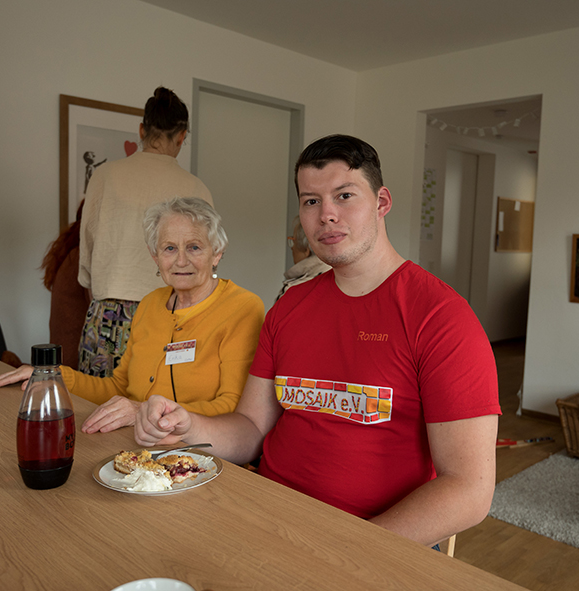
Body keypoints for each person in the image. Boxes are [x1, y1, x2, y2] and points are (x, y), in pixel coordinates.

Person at [133, 135, 500, 547]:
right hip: (265, 518)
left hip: (375, 541)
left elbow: (469, 490)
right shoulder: (290, 308)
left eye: (344, 196)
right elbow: (252, 428)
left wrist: (344, 553)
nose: (327, 215)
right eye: (311, 201)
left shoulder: (440, 318)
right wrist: (189, 424)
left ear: (381, 203)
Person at [0, 197, 264, 435]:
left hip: (199, 454)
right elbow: (118, 387)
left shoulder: (242, 308)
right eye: (169, 248)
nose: (180, 260)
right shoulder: (151, 304)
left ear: (217, 253)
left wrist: (142, 412)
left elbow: (232, 406)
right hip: (135, 444)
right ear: (154, 256)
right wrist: (51, 376)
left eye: (194, 247)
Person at [78, 86, 213, 377]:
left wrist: (97, 286)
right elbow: (205, 259)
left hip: (109, 313)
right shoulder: (196, 188)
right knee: (161, 408)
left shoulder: (104, 176)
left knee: (97, 408)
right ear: (181, 136)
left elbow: (87, 246)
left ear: (142, 130)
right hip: (171, 312)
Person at [41, 200, 90, 370]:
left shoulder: (72, 252)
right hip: (72, 365)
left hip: (61, 357)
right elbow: (99, 309)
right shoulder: (81, 258)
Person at [276, 216, 331, 300]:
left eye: (293, 241)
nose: (292, 248)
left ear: (306, 249)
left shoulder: (294, 291)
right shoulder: (338, 281)